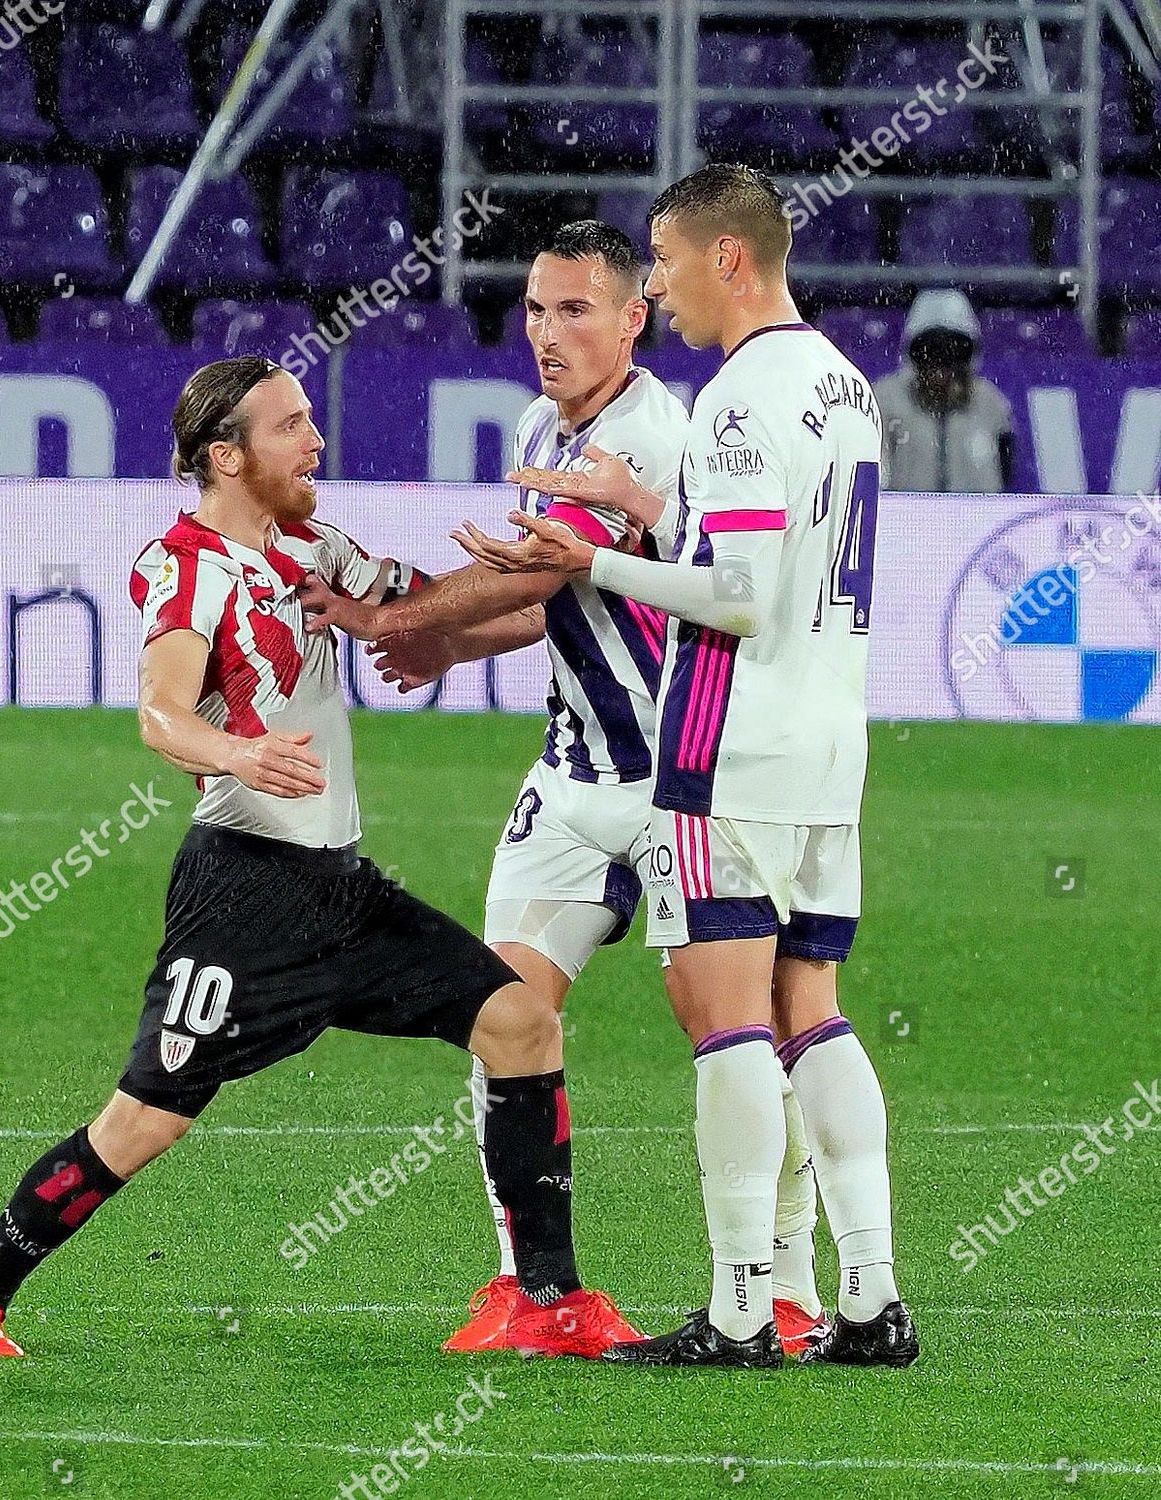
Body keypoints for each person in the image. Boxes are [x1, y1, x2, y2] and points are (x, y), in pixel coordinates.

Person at [0, 356, 638, 1361]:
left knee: (520, 1022)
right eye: (291, 426)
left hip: (341, 889)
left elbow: (438, 604)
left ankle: (545, 1300)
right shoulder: (186, 563)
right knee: (143, 1123)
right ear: (227, 454)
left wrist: (595, 559)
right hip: (242, 895)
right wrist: (235, 749)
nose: (316, 441)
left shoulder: (316, 547)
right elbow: (161, 712)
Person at [299, 221, 832, 1357]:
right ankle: (539, 1295)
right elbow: (564, 598)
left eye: (574, 310)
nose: (547, 334)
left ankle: (783, 1288)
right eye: (535, 310)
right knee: (505, 1014)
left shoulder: (653, 435)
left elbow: (541, 564)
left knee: (724, 1022)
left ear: (632, 317)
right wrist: (445, 651)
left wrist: (390, 617)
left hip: (675, 780)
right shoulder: (546, 426)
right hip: (571, 776)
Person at [460, 163, 920, 1369]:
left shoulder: (732, 398)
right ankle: (866, 1295)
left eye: (661, 262)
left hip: (727, 739)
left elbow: (734, 596)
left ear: (726, 259)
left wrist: (592, 555)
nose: (653, 287)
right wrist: (654, 518)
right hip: (831, 738)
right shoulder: (845, 385)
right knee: (806, 1012)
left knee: (718, 1017)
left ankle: (736, 1310)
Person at [874, 288, 1014, 492]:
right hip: (907, 518)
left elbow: (1004, 471)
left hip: (978, 519)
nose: (942, 366)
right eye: (931, 351)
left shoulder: (990, 403)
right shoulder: (887, 400)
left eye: (954, 351)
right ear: (914, 355)